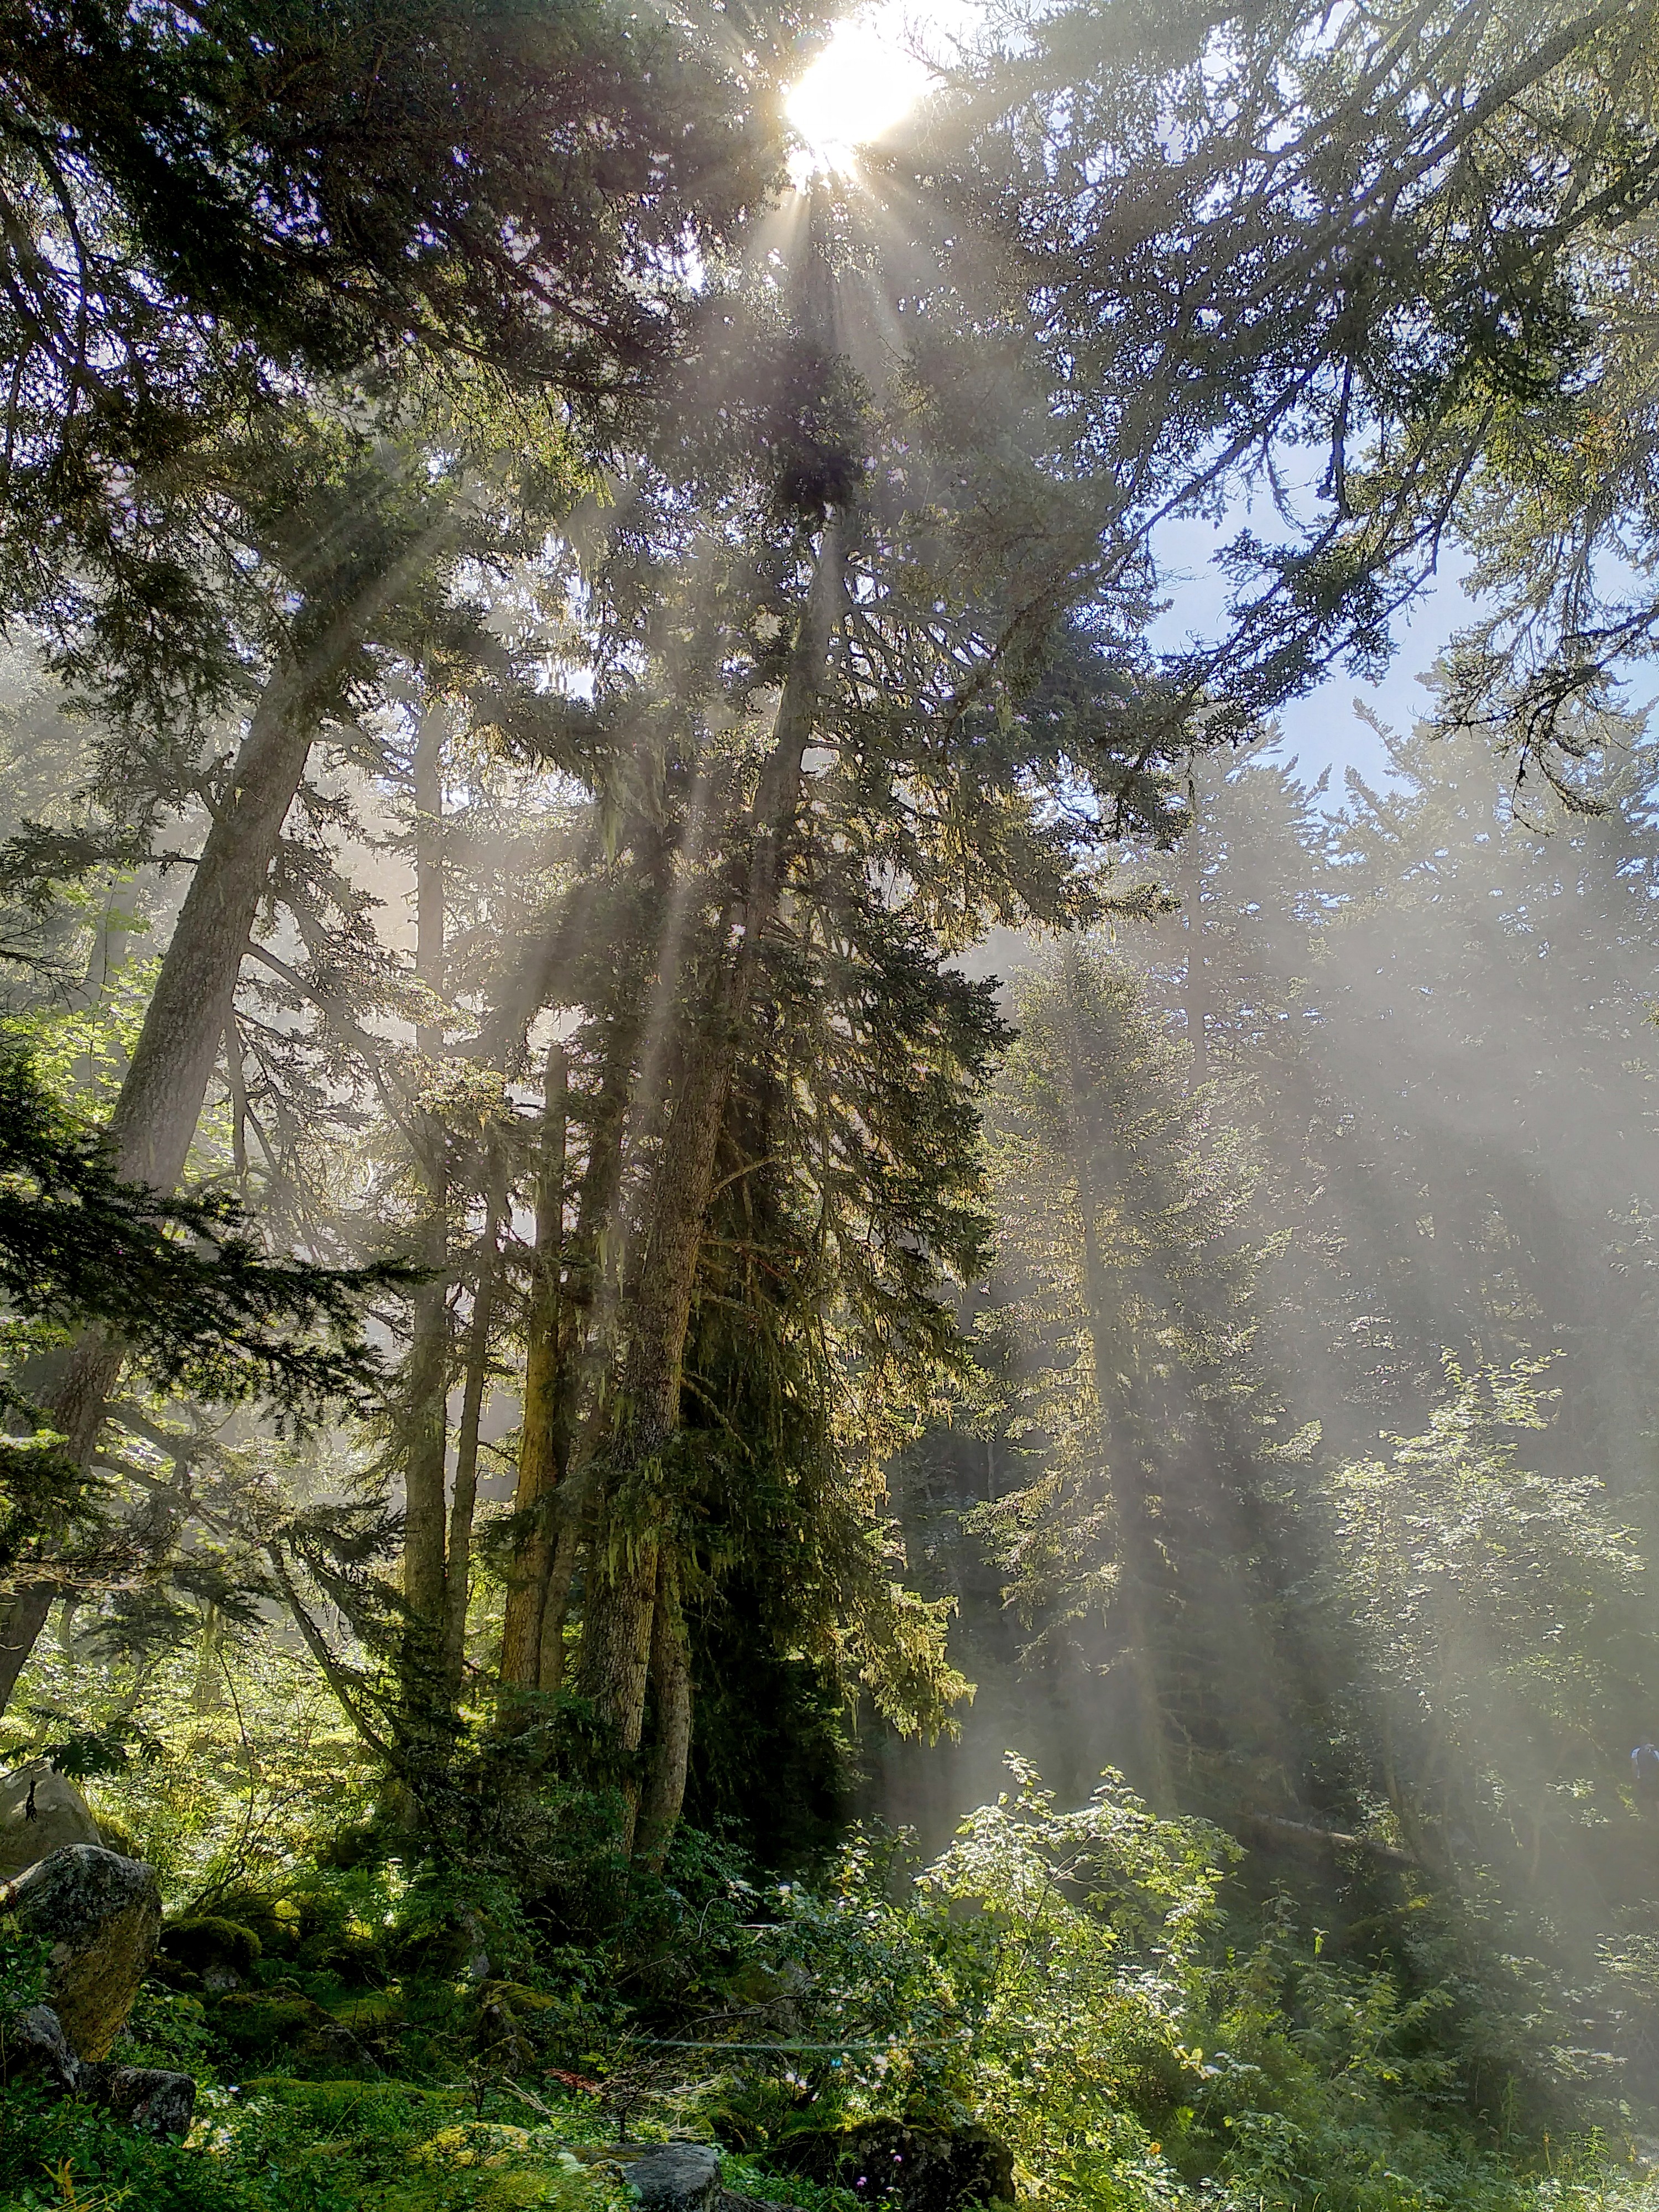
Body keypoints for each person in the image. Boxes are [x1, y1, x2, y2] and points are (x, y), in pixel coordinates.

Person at [1631, 1740, 1659, 1819]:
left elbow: (1634, 1766)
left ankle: (1646, 1818)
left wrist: (1635, 1778)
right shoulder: (1655, 1753)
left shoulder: (1636, 1752)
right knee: (1657, 1799)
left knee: (1645, 1797)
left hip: (1642, 1778)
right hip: (1655, 1780)